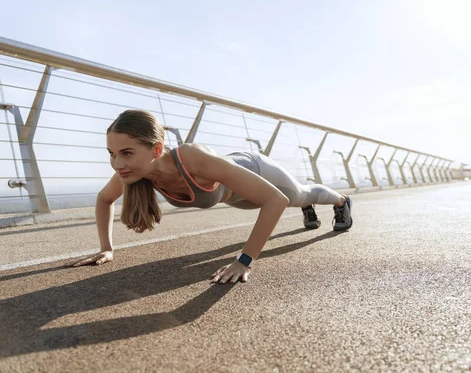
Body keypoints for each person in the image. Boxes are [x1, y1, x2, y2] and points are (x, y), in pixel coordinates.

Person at [69, 109, 353, 284]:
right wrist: (107, 248)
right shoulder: (133, 172)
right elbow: (104, 199)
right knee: (289, 200)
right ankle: (309, 207)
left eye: (127, 152)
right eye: (112, 154)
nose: (117, 164)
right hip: (237, 197)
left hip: (256, 171)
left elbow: (274, 200)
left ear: (156, 150)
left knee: (298, 195)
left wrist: (244, 261)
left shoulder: (192, 157)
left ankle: (341, 202)